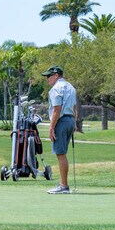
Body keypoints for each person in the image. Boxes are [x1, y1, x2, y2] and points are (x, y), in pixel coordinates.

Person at [41, 65, 77, 194]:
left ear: (56, 75)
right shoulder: (71, 87)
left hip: (61, 121)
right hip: (70, 120)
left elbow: (57, 109)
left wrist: (51, 128)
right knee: (62, 153)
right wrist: (74, 124)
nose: (47, 79)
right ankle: (63, 185)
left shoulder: (56, 89)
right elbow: (74, 108)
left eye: (49, 76)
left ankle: (63, 186)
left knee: (60, 154)